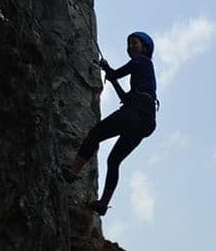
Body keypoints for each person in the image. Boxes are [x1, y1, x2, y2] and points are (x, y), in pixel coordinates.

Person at [64, 32, 157, 215]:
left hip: (134, 115)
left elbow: (116, 73)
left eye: (134, 42)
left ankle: (73, 171)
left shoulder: (142, 61)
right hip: (144, 122)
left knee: (96, 133)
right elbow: (124, 96)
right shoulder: (144, 77)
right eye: (128, 43)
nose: (130, 46)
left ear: (144, 48)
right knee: (114, 160)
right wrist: (112, 80)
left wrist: (107, 68)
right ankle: (102, 204)